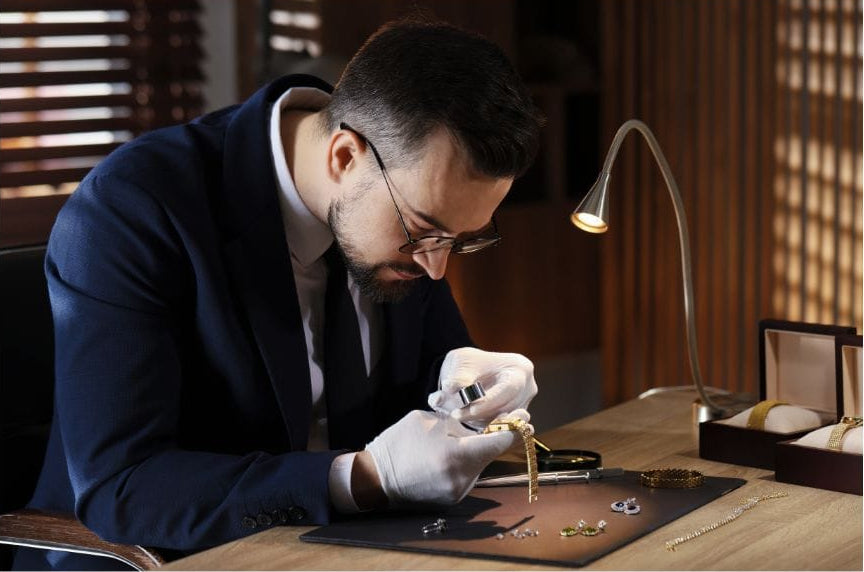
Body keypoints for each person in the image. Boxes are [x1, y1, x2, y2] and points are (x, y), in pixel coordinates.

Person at [15, 18, 544, 570]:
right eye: (424, 230)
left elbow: (432, 401)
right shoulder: (132, 209)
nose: (436, 268)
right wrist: (364, 476)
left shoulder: (399, 212)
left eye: (461, 240)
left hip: (343, 550)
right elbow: (121, 488)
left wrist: (475, 393)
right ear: (345, 156)